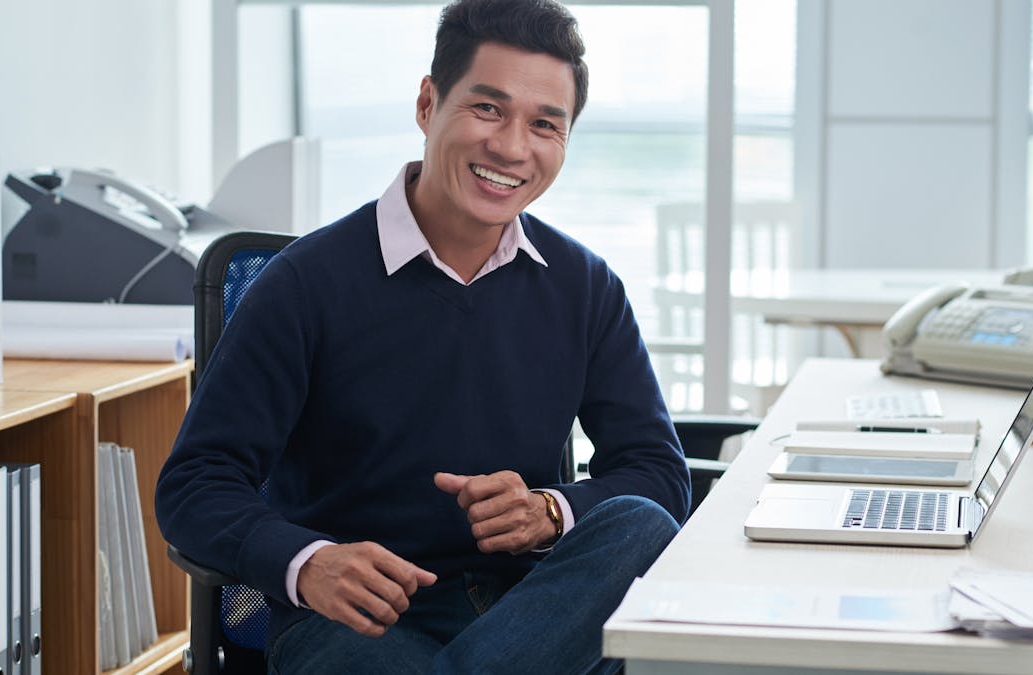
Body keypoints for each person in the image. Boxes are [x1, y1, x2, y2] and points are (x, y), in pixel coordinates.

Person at [155, 0, 690, 672]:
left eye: (545, 124)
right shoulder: (303, 284)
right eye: (488, 109)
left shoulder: (585, 286)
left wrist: (551, 511)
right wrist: (311, 562)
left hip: (538, 608)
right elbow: (196, 485)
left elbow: (659, 474)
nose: (512, 147)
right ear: (428, 104)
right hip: (359, 624)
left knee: (640, 524)